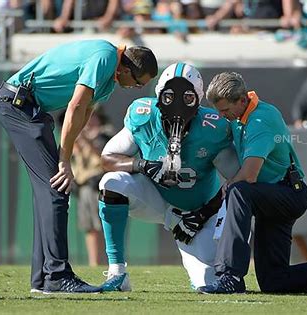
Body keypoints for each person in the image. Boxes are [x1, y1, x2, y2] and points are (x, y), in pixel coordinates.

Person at [0, 39, 158, 294]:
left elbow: (84, 114)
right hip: (18, 105)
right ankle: (57, 276)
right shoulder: (105, 58)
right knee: (56, 189)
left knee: (48, 191)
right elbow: (75, 105)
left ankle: (43, 279)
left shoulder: (109, 78)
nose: (136, 88)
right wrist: (64, 159)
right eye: (138, 82)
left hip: (28, 109)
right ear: (126, 69)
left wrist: (65, 156)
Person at [198, 72, 307, 295]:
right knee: (274, 282)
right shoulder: (239, 114)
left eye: (225, 110)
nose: (222, 115)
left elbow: (250, 175)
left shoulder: (261, 120)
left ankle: (230, 276)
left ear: (242, 100)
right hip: (273, 194)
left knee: (238, 191)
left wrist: (226, 188)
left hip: (289, 194)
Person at [97, 63, 240, 291]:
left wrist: (202, 215)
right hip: (155, 198)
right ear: (158, 96)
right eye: (170, 97)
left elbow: (238, 182)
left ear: (199, 99)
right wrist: (142, 165)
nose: (177, 106)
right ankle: (117, 272)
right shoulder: (144, 116)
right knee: (111, 183)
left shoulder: (212, 128)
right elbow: (107, 159)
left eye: (187, 98)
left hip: (197, 213)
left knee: (209, 284)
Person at [70, 109, 113, 267]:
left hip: (99, 186)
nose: (89, 120)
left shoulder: (105, 135)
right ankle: (94, 262)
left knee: (102, 225)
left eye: (92, 116)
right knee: (89, 227)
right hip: (84, 186)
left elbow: (103, 158)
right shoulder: (78, 138)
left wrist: (86, 141)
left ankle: (110, 262)